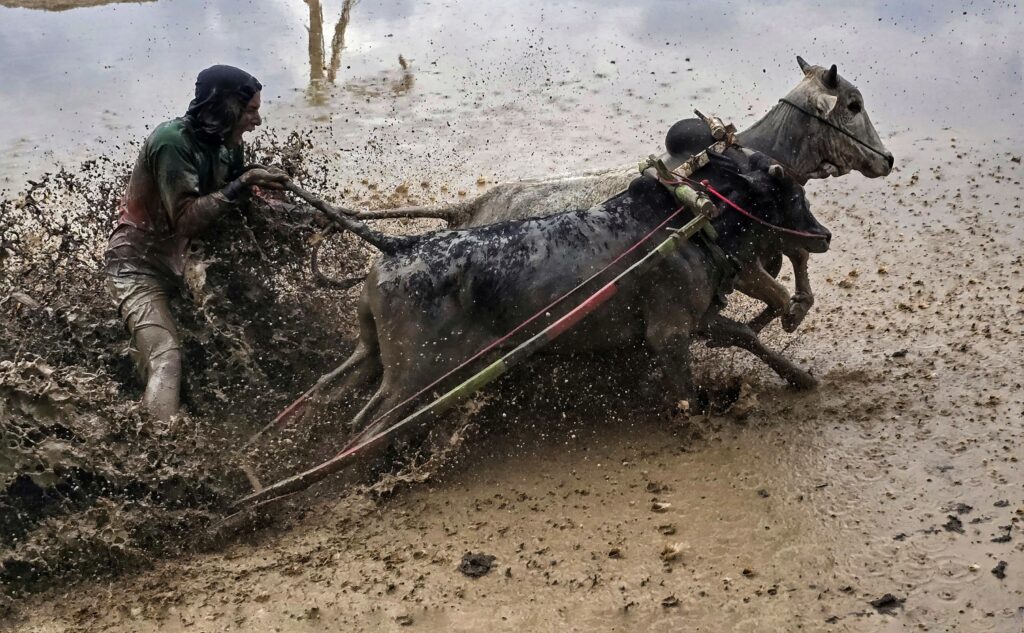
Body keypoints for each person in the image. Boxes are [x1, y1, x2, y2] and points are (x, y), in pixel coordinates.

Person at [104, 65, 289, 420]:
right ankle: (159, 452)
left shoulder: (225, 145)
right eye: (250, 111)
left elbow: (236, 197)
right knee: (166, 356)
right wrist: (241, 184)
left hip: (186, 261)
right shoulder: (172, 142)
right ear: (226, 110)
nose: (258, 121)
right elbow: (187, 218)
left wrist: (279, 202)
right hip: (138, 267)